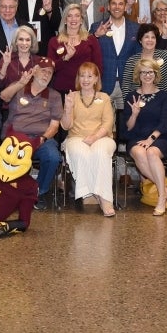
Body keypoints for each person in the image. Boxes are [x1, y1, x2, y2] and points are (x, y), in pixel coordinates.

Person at [0, 56, 62, 210]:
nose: (46, 75)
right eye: (43, 71)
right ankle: (10, 193)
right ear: (34, 71)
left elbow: (54, 125)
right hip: (16, 138)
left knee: (53, 157)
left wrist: (43, 138)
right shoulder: (20, 87)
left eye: (50, 72)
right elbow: (3, 97)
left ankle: (38, 192)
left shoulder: (54, 96)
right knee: (8, 156)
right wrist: (20, 83)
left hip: (40, 139)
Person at [60, 62, 117, 217]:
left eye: (89, 76)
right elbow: (66, 126)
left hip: (102, 137)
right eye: (82, 75)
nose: (85, 79)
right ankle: (96, 194)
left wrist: (95, 137)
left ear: (96, 78)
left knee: (100, 153)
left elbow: (108, 122)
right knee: (81, 153)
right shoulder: (72, 97)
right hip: (76, 137)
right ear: (78, 78)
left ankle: (104, 198)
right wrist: (68, 109)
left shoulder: (104, 97)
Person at [123, 58, 167, 216]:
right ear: (138, 74)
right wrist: (134, 114)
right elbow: (128, 127)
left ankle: (160, 199)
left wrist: (150, 140)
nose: (147, 75)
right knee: (139, 152)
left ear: (156, 73)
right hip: (136, 137)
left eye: (150, 71)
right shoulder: (131, 96)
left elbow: (164, 123)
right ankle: (164, 190)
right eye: (143, 72)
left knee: (151, 152)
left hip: (160, 137)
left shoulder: (165, 96)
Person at [121, 23, 167, 132]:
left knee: (162, 131)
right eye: (146, 37)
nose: (150, 40)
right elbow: (126, 86)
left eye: (153, 37)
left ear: (157, 40)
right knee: (139, 131)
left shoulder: (165, 55)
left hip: (163, 103)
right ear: (140, 40)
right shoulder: (132, 60)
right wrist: (131, 106)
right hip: (139, 103)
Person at [90, 0, 141, 108]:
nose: (117, 7)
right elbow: (88, 51)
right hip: (103, 84)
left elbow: (139, 57)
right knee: (104, 124)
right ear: (108, 6)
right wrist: (96, 36)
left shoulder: (136, 28)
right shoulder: (96, 27)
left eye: (120, 4)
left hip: (128, 84)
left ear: (125, 6)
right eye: (113, 4)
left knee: (126, 124)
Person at [46, 4, 102, 94]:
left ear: (81, 20)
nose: (73, 19)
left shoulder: (91, 40)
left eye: (77, 16)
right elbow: (50, 68)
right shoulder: (54, 41)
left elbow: (98, 67)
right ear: (65, 20)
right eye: (69, 16)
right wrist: (66, 58)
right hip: (62, 91)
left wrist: (94, 87)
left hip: (86, 90)